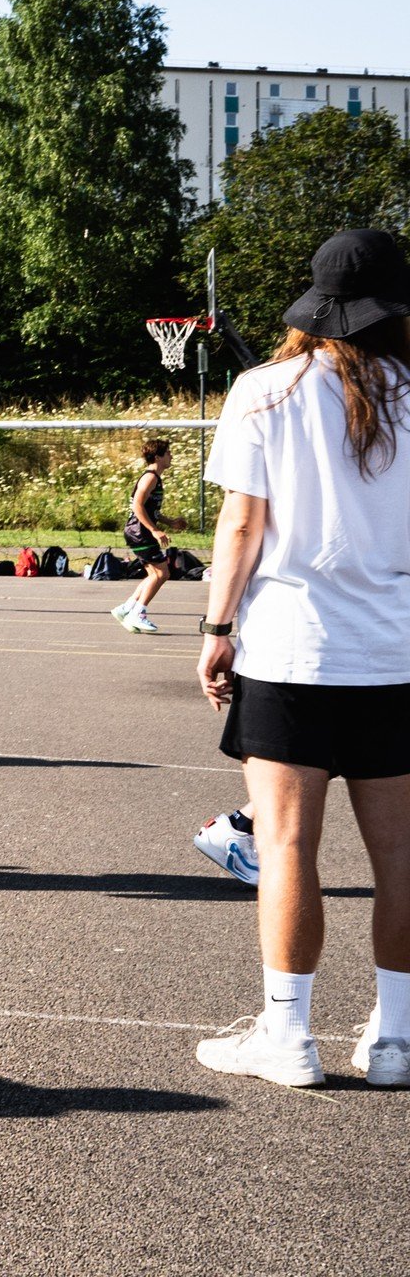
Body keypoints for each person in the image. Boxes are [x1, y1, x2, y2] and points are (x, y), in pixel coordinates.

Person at [192, 229, 410, 1091]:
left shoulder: (264, 390)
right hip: (396, 653)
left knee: (285, 847)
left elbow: (242, 526)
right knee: (400, 856)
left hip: (291, 648)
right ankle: (396, 1039)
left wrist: (216, 628)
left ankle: (288, 1037)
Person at [110, 438, 186, 634]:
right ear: (158, 456)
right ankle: (138, 613)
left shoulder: (154, 478)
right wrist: (154, 530)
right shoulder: (150, 477)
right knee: (162, 573)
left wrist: (169, 522)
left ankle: (126, 608)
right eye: (168, 453)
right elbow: (137, 506)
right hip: (140, 532)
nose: (171, 456)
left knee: (154, 574)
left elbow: (150, 509)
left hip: (138, 531)